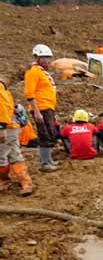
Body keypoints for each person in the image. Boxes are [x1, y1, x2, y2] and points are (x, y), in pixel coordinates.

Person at [25, 44, 59, 172]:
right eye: (43, 57)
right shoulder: (33, 72)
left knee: (50, 133)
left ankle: (49, 160)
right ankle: (45, 163)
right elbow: (29, 93)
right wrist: (37, 111)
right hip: (41, 107)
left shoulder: (42, 72)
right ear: (36, 57)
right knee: (44, 134)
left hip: (48, 107)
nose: (46, 60)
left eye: (48, 57)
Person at [0, 80, 33, 196]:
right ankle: (23, 182)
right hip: (9, 126)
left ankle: (7, 181)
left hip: (7, 127)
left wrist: (2, 127)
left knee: (2, 155)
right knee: (12, 153)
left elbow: (3, 106)